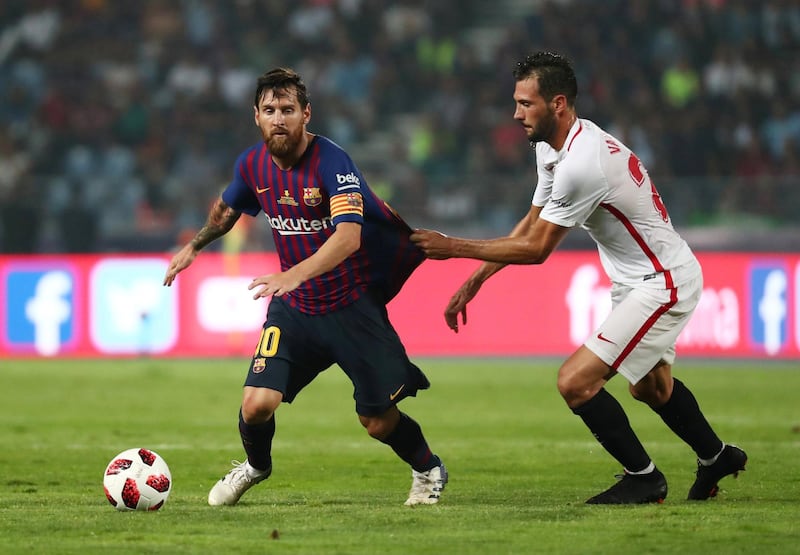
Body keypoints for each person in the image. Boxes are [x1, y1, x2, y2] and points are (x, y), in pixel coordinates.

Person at [410, 51, 746, 504]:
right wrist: (476, 279)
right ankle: (716, 457)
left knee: (575, 382)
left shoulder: (583, 163)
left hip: (663, 281)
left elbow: (538, 249)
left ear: (559, 103)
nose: (516, 114)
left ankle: (643, 478)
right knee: (651, 386)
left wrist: (451, 247)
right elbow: (531, 224)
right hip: (637, 279)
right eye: (516, 102)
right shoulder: (551, 147)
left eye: (526, 103)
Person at [164, 67, 447, 507]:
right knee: (256, 403)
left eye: (288, 110)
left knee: (375, 421)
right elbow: (226, 209)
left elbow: (349, 236)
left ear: (306, 114)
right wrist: (195, 246)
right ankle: (256, 466)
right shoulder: (252, 165)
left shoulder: (332, 161)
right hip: (295, 310)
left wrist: (293, 274)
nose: (279, 118)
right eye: (270, 110)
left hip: (351, 309)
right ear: (255, 116)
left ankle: (428, 467)